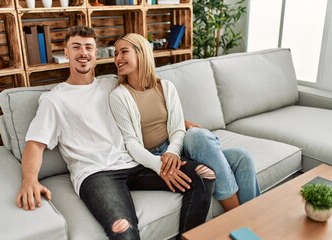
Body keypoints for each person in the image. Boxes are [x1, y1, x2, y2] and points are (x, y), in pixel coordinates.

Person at [16, 26, 211, 240]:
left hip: (136, 162)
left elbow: (148, 107)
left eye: (89, 47)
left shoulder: (112, 84)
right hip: (96, 175)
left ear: (96, 53)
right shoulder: (54, 99)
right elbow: (35, 144)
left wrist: (182, 122)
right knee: (123, 228)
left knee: (204, 174)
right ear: (67, 52)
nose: (83, 53)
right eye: (76, 47)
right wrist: (29, 181)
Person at [109, 33, 260, 213]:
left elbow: (177, 128)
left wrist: (172, 151)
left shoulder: (165, 87)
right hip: (154, 156)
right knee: (199, 135)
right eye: (115, 53)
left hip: (177, 147)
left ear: (141, 53)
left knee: (242, 157)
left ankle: (253, 217)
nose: (118, 58)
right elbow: (131, 143)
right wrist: (160, 164)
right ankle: (239, 216)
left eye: (123, 52)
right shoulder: (119, 96)